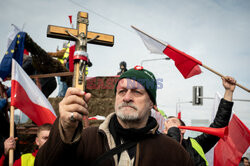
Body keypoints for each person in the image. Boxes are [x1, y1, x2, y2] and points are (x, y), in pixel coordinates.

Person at [35, 66, 194, 166]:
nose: (127, 97)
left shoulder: (173, 153)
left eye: (137, 92)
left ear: (152, 103)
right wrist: (63, 131)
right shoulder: (85, 139)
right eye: (122, 91)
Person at [164, 76, 236, 166]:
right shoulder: (158, 147)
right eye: (166, 124)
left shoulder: (195, 144)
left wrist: (229, 91)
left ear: (183, 130)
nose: (169, 124)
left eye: (173, 122)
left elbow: (219, 125)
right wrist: (173, 131)